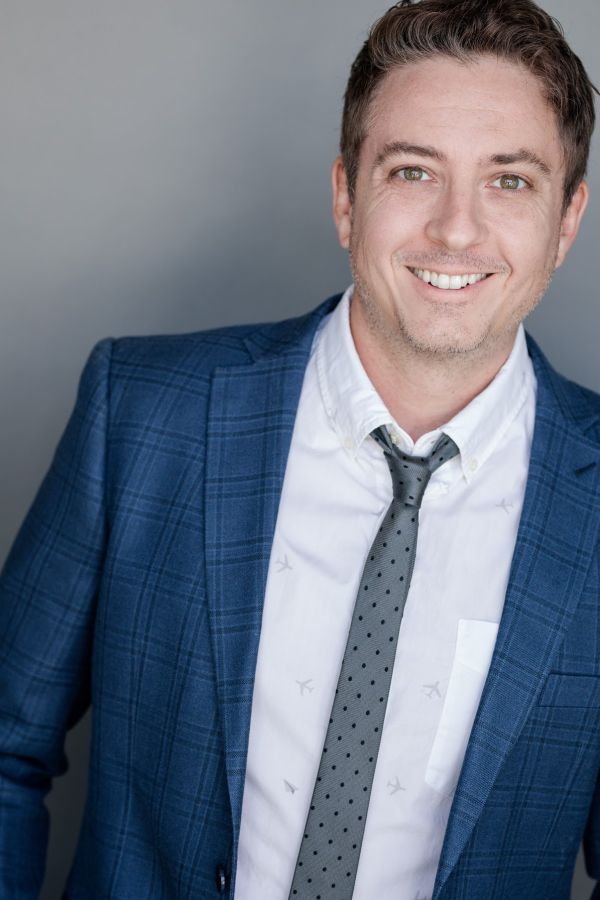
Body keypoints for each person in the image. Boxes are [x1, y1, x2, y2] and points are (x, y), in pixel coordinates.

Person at [1, 0, 599, 897]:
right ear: (345, 198)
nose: (457, 230)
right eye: (412, 171)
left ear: (565, 222)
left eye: (510, 180)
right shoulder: (143, 416)